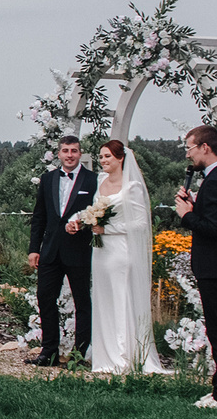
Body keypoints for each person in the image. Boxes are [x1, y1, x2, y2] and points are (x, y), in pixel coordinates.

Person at [70, 140, 168, 376]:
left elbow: (141, 223)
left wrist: (109, 230)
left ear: (120, 158)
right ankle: (105, 355)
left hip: (120, 251)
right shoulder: (101, 181)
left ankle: (124, 356)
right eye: (101, 157)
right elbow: (92, 211)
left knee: (120, 299)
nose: (103, 161)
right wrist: (80, 221)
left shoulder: (131, 187)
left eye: (107, 157)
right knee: (103, 299)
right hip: (101, 252)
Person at [174, 125, 217, 408]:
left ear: (205, 147)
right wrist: (194, 204)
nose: (188, 154)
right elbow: (215, 217)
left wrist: (187, 215)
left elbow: (213, 228)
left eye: (190, 148)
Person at [25, 137, 97, 368]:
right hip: (51, 251)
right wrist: (34, 249)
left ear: (80, 153)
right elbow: (39, 217)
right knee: (45, 298)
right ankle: (49, 352)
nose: (69, 155)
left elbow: (98, 213)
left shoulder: (93, 180)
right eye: (65, 151)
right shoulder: (48, 179)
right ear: (59, 153)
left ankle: (79, 354)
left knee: (82, 303)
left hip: (79, 251)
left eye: (74, 151)